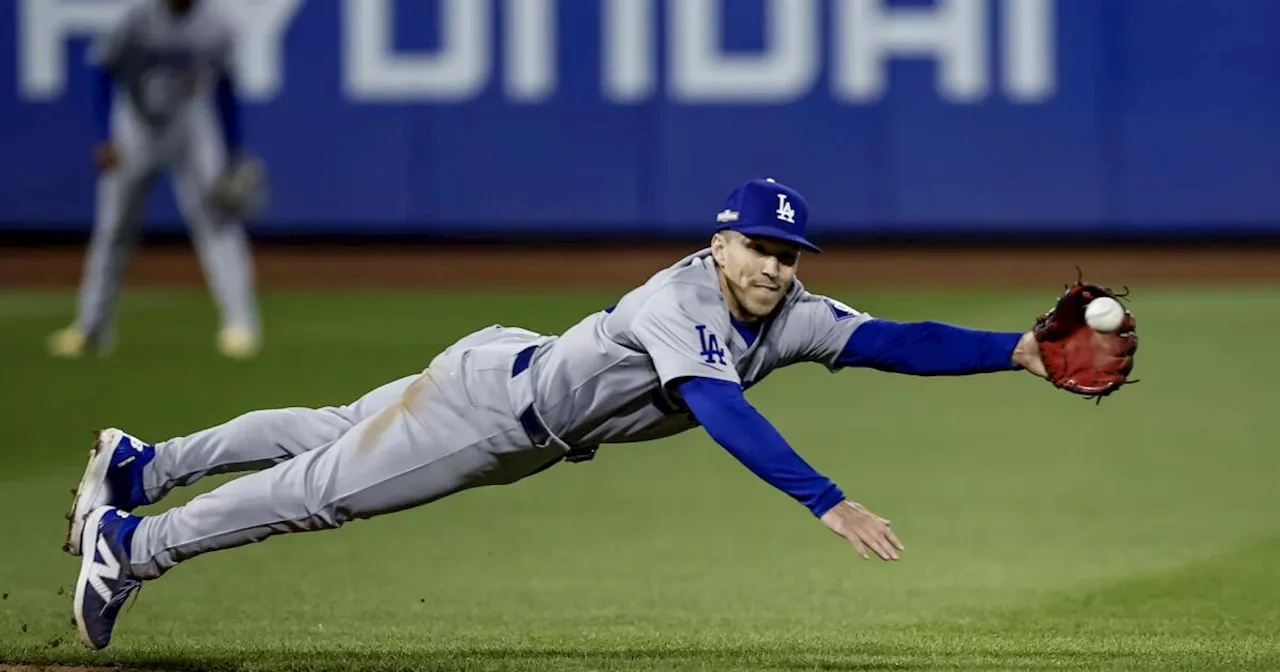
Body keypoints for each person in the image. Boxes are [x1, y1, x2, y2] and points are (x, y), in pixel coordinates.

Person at [66, 178, 1133, 651]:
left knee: (321, 427)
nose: (772, 268)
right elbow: (716, 409)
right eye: (758, 248)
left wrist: (1013, 353)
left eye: (786, 254)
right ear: (719, 243)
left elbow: (891, 339)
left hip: (499, 364)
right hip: (495, 416)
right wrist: (823, 498)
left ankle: (144, 464)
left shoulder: (788, 311)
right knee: (319, 487)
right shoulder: (679, 303)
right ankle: (135, 543)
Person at [47, 0, 262, 360]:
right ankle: (91, 327)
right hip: (134, 130)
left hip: (193, 131)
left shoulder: (215, 24)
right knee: (114, 229)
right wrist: (105, 137)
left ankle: (241, 325)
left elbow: (225, 87)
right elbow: (104, 74)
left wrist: (233, 148)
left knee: (218, 225)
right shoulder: (136, 19)